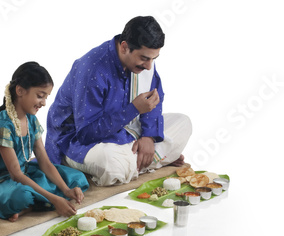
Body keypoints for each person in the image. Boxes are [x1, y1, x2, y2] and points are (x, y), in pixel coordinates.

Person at [45, 16, 192, 186]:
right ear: (124, 47)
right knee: (112, 164)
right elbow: (86, 134)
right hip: (75, 140)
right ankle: (154, 159)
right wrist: (134, 109)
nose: (149, 66)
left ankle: (140, 160)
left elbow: (155, 101)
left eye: (154, 59)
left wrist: (149, 137)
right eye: (145, 58)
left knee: (183, 123)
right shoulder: (92, 69)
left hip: (125, 131)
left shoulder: (143, 62)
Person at [0, 62, 89, 221]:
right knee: (21, 196)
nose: (44, 103)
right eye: (40, 95)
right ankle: (33, 205)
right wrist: (55, 199)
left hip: (23, 172)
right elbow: (16, 174)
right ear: (20, 90)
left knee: (76, 178)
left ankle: (33, 206)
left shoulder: (31, 120)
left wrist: (66, 190)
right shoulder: (2, 126)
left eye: (46, 97)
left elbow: (45, 162)